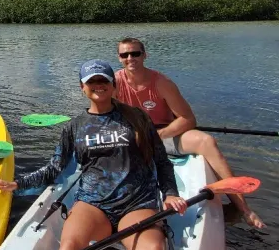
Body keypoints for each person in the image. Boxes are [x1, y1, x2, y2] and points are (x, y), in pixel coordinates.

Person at [0, 60, 187, 250]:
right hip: (93, 204)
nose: (98, 85)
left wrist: (170, 193)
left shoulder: (137, 117)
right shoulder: (74, 126)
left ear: (113, 85)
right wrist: (18, 183)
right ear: (82, 87)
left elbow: (162, 161)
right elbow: (55, 167)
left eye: (103, 80)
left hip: (136, 203)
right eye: (92, 81)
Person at [114, 37, 265, 229]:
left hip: (164, 133)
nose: (130, 58)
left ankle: (244, 209)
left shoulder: (162, 82)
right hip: (134, 136)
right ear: (119, 58)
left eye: (135, 53)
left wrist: (159, 135)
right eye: (124, 55)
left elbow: (188, 119)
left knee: (206, 140)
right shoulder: (114, 82)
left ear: (144, 55)